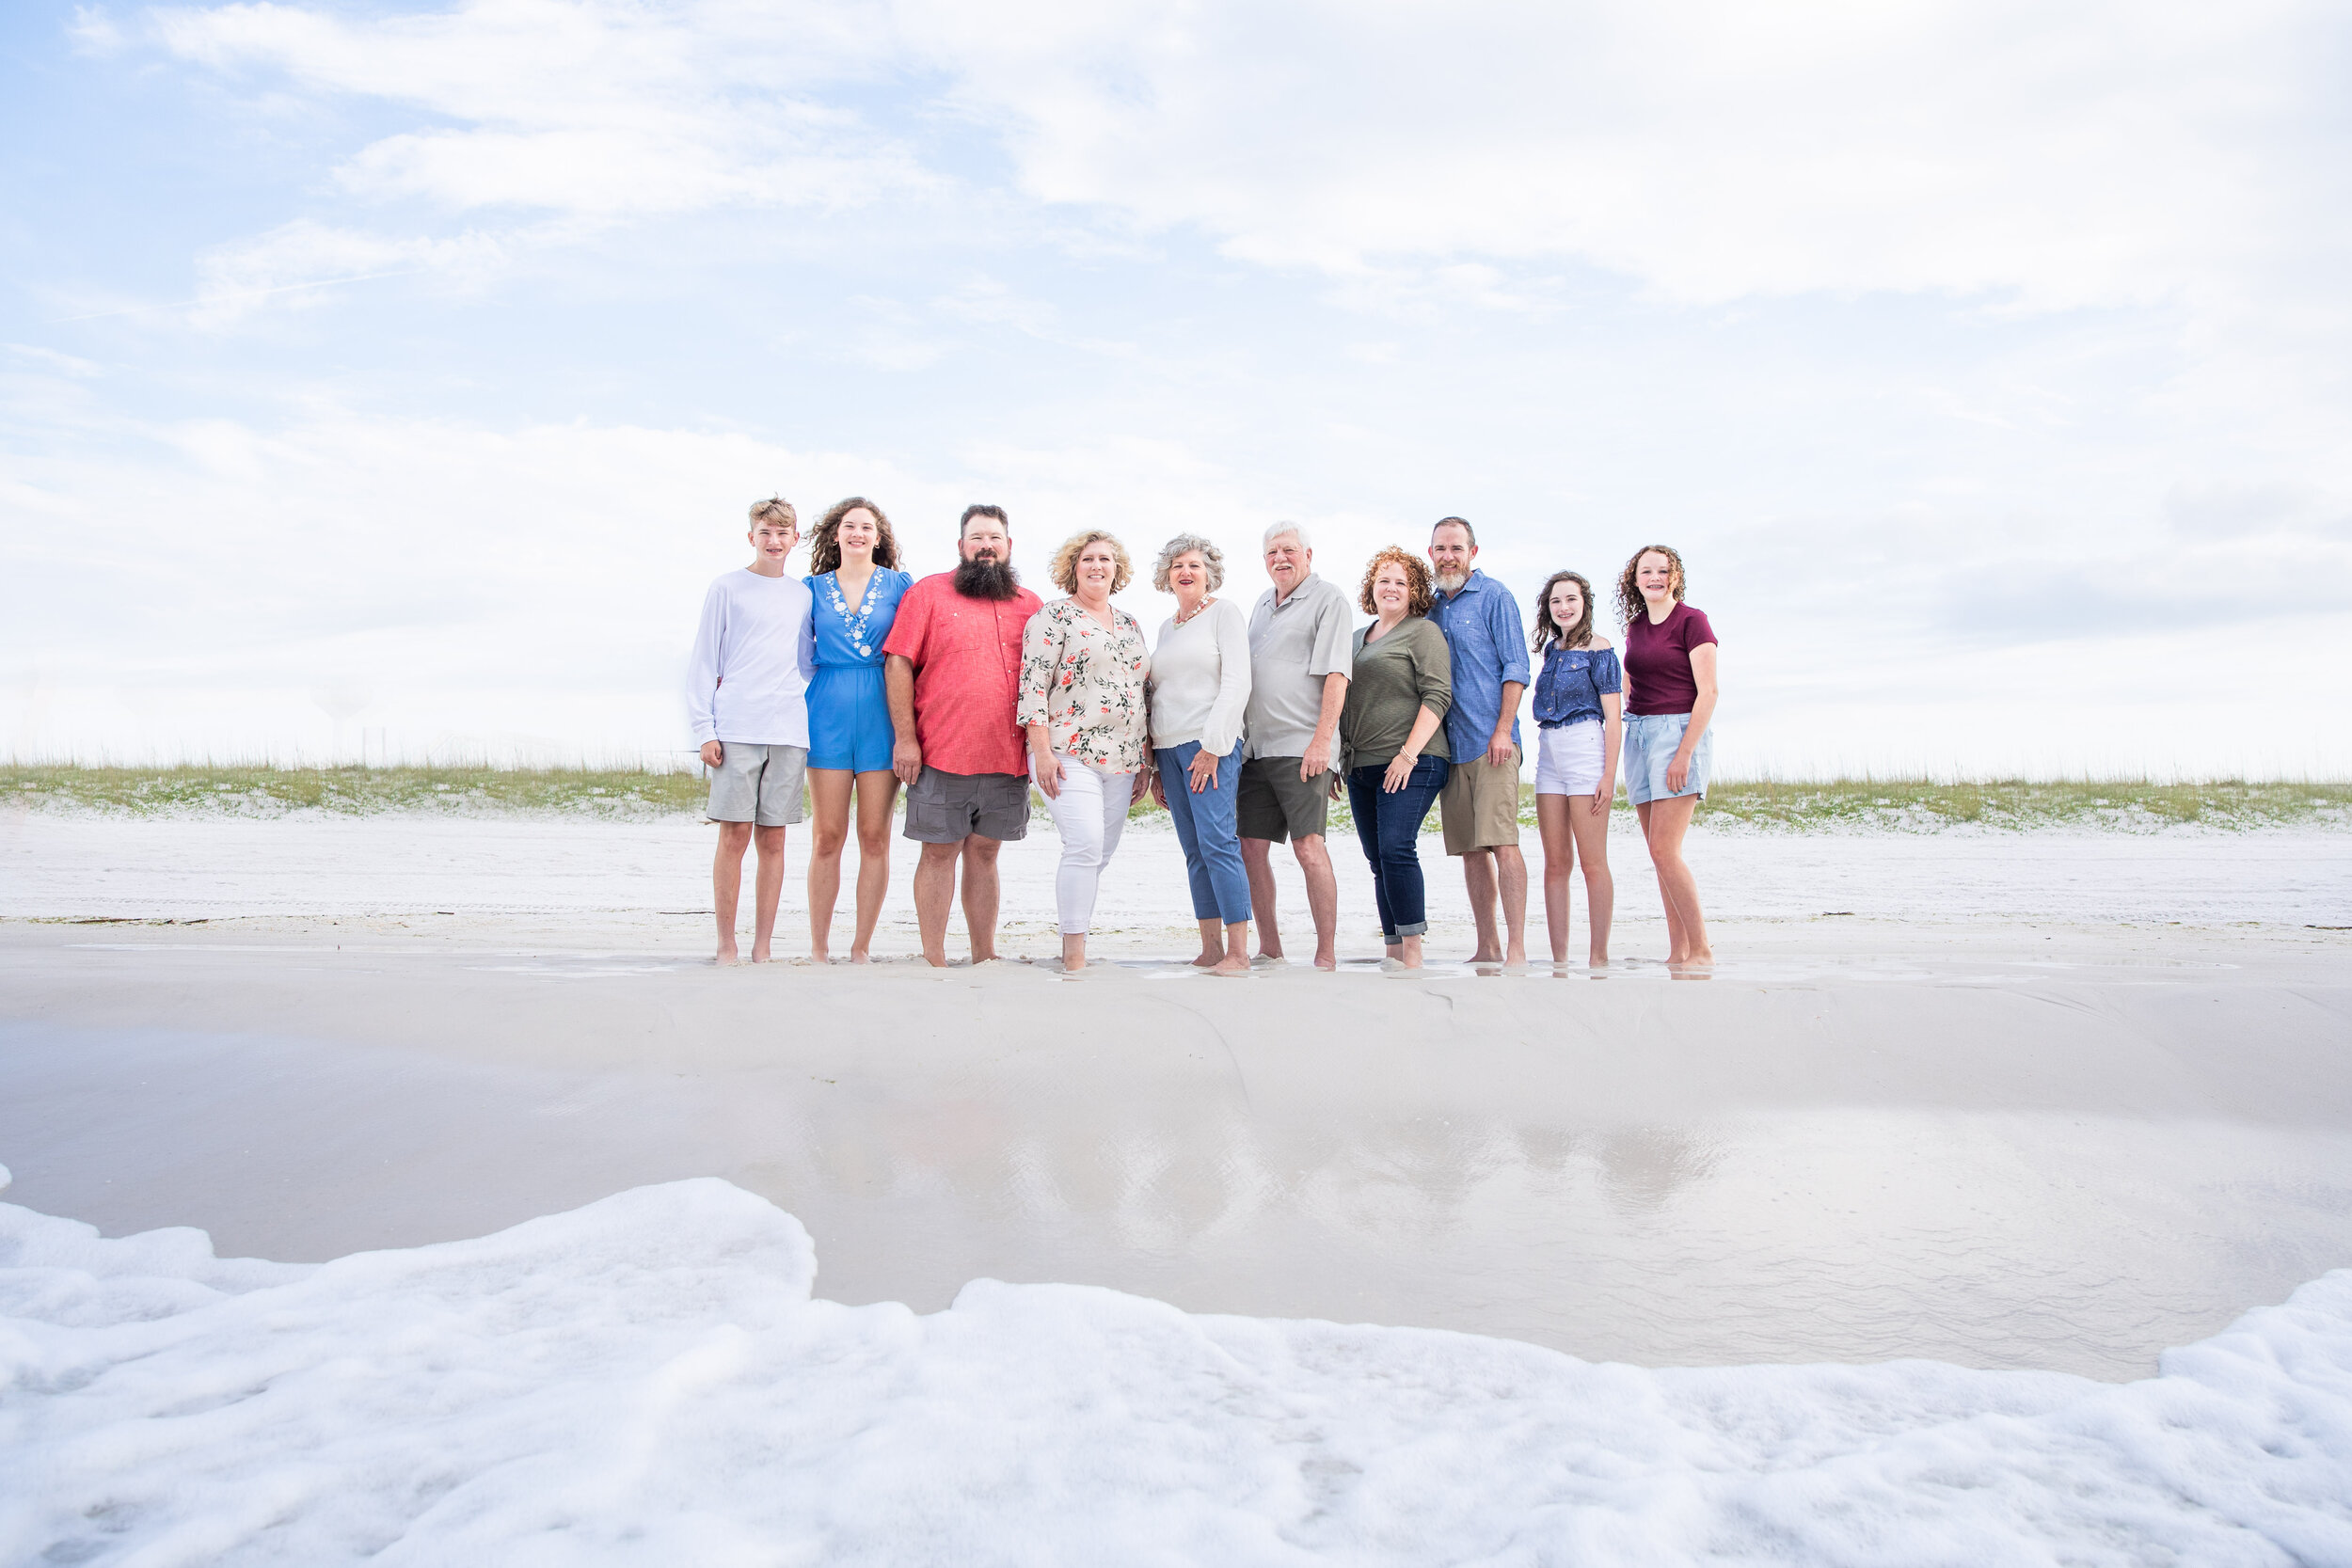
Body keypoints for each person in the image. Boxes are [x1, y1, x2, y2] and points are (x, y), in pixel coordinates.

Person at [882, 504, 1043, 967]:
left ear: (1009, 547)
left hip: (1007, 758)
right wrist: (905, 739)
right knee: (938, 853)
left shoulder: (1030, 604)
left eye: (994, 537)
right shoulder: (928, 593)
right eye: (977, 538)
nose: (986, 545)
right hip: (940, 753)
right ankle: (934, 956)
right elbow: (897, 662)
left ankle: (984, 954)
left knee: (987, 855)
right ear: (961, 546)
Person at [686, 497, 814, 965]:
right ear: (751, 537)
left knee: (774, 839)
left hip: (788, 730)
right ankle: (726, 944)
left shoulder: (803, 595)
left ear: (795, 538)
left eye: (783, 533)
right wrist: (705, 729)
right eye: (765, 532)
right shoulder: (727, 588)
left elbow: (806, 661)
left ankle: (763, 946)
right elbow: (704, 661)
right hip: (736, 724)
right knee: (735, 833)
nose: (774, 541)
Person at [1019, 531, 1152, 973]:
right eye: (1088, 559)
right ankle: (1073, 956)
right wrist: (1041, 752)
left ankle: (1072, 930)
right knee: (1084, 843)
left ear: (1118, 569)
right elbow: (1033, 686)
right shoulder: (1052, 617)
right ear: (1073, 567)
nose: (1098, 566)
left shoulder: (1131, 623)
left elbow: (1142, 691)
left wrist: (1146, 762)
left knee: (1101, 852)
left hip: (1123, 757)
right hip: (1066, 751)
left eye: (1106, 560)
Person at [803, 497, 914, 964]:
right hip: (825, 708)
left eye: (867, 527)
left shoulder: (901, 585)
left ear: (879, 537)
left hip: (882, 711)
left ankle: (861, 946)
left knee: (875, 836)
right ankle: (819, 947)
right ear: (835, 534)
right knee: (827, 835)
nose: (858, 534)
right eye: (850, 526)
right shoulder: (808, 588)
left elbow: (912, 651)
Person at [1238, 522, 1353, 971]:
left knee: (1308, 847)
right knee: (1250, 847)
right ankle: (1270, 948)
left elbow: (1336, 676)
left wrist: (1323, 742)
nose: (1280, 558)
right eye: (1271, 552)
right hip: (1256, 749)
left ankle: (1325, 954)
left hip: (1302, 745)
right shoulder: (1261, 605)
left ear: (1308, 554)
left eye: (1289, 550)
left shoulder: (1329, 599)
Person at [1146, 534, 1254, 975]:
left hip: (1209, 744)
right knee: (1194, 849)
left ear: (1209, 572)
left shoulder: (1224, 613)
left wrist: (1213, 746)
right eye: (1177, 567)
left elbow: (1237, 683)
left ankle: (1239, 952)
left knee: (1218, 842)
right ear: (1167, 577)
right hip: (1169, 749)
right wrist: (1154, 763)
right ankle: (1210, 948)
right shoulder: (1166, 628)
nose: (1186, 572)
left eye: (1194, 565)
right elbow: (1159, 694)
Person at [1426, 515, 1532, 967]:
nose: (1448, 556)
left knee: (1503, 843)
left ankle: (1517, 948)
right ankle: (1486, 944)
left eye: (1456, 547)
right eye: (1440, 548)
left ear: (1473, 552)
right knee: (1470, 852)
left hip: (1494, 745)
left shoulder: (1495, 597)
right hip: (1452, 750)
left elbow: (1516, 667)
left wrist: (1504, 730)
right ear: (1431, 553)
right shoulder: (1429, 607)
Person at [1341, 546, 1452, 970]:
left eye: (1401, 582)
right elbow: (1339, 699)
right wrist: (1339, 756)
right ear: (1372, 586)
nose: (1391, 587)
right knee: (1376, 858)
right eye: (1384, 579)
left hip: (1415, 760)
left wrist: (1408, 754)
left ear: (1415, 591)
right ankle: (1392, 950)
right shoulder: (1354, 640)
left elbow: (1438, 694)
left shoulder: (1423, 633)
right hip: (1360, 764)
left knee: (1396, 847)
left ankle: (1413, 954)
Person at [1616, 544, 1719, 968]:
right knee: (1657, 853)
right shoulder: (1636, 626)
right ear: (1634, 579)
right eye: (1646, 571)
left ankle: (1701, 950)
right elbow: (1630, 681)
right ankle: (1677, 951)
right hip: (1638, 734)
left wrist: (1684, 753)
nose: (1654, 578)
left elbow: (1709, 692)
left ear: (1675, 576)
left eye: (1662, 571)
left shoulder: (1693, 621)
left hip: (1677, 733)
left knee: (1665, 849)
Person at [1529, 570, 1621, 968]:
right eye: (1555, 602)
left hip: (1586, 748)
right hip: (1548, 752)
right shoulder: (1552, 650)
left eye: (1571, 599)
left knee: (1592, 862)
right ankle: (1560, 960)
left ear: (1585, 603)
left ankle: (1598, 957)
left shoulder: (1600, 650)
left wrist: (1608, 776)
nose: (1563, 607)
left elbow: (1614, 719)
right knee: (1555, 862)